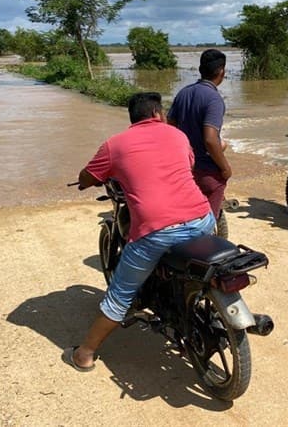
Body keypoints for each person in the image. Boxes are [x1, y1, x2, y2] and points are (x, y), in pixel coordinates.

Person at [63, 92, 215, 372]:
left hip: (156, 230)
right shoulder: (177, 135)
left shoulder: (114, 144)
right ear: (158, 114)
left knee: (120, 293)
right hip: (203, 218)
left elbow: (89, 175)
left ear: (133, 118)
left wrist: (84, 183)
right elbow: (188, 164)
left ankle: (84, 354)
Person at [167, 49, 231, 219]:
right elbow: (210, 139)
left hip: (183, 166)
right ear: (221, 71)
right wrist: (225, 169)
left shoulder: (183, 93)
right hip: (205, 170)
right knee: (209, 221)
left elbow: (170, 127)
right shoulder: (214, 99)